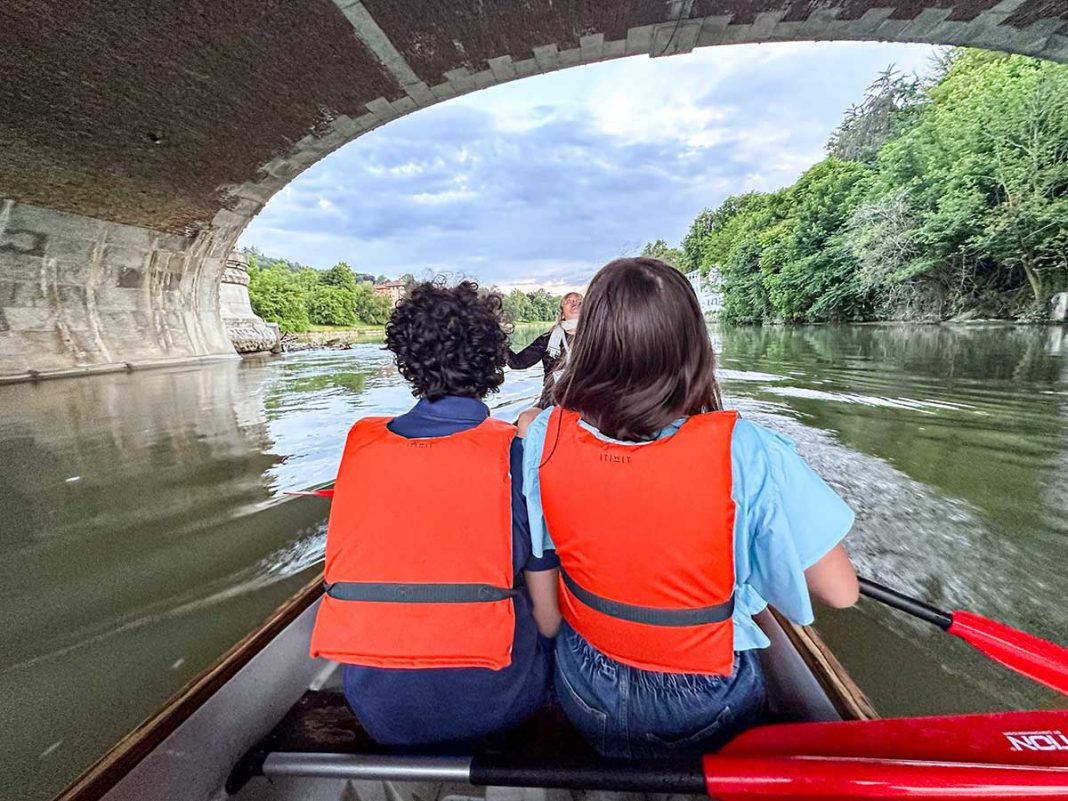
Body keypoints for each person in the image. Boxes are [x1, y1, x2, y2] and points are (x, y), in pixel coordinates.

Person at [519, 258, 858, 758]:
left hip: (583, 686)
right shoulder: (747, 448)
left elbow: (533, 428)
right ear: (692, 346)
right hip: (702, 705)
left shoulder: (544, 434)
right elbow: (841, 591)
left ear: (588, 343)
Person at [310, 279, 560, 748]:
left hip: (379, 711)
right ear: (493, 362)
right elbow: (548, 622)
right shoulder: (516, 456)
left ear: (408, 362)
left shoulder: (361, 450)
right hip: (499, 703)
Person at [507, 292, 583, 423]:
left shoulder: (598, 337)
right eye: (569, 301)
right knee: (524, 420)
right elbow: (517, 363)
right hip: (552, 399)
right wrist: (496, 338)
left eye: (579, 301)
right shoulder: (547, 339)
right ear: (562, 314)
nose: (575, 303)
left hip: (586, 398)